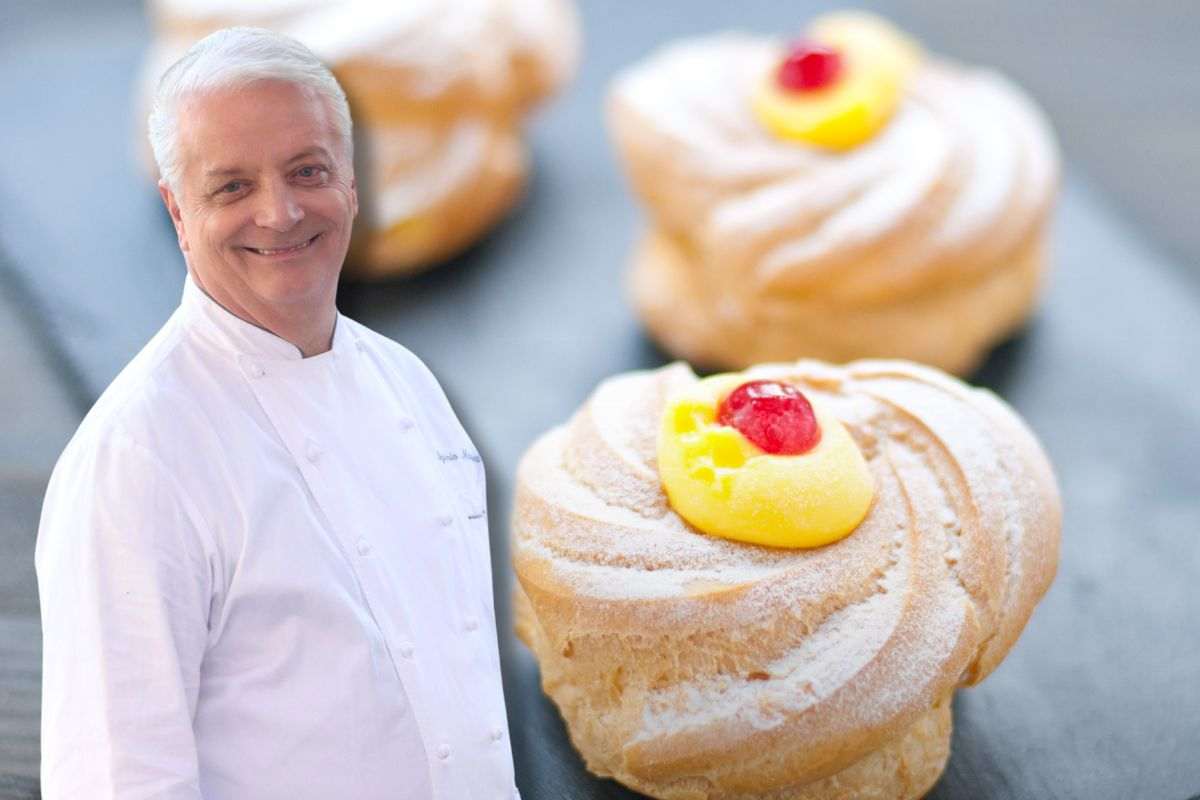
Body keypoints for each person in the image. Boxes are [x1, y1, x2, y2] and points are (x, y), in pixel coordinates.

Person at [35, 27, 519, 800]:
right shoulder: (136, 457)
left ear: (352, 183)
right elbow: (118, 779)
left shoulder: (409, 385)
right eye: (231, 187)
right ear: (177, 212)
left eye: (308, 170)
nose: (281, 211)